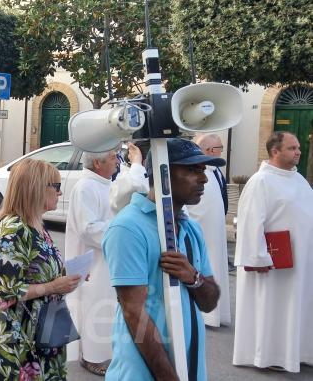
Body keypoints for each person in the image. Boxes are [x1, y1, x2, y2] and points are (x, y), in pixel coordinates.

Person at [102, 138, 221, 380]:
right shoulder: (128, 227)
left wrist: (193, 277)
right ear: (162, 173)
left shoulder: (192, 229)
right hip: (143, 372)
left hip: (190, 366)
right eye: (191, 170)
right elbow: (134, 313)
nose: (204, 178)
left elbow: (210, 303)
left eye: (202, 170)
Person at [0, 158, 82, 380]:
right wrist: (53, 286)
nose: (60, 193)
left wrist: (66, 276)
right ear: (36, 188)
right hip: (20, 333)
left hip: (43, 326)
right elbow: (7, 290)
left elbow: (38, 269)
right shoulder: (14, 230)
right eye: (56, 187)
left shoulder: (36, 224)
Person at [233, 131, 313, 372]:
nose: (298, 152)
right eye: (292, 148)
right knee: (271, 307)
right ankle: (269, 355)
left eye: (298, 147)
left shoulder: (298, 180)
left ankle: (297, 352)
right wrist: (258, 257)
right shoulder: (261, 181)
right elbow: (250, 221)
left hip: (302, 260)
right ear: (275, 151)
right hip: (273, 260)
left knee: (297, 305)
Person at [63, 149, 119, 375]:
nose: (118, 161)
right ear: (97, 162)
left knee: (107, 306)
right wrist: (120, 229)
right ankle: (91, 356)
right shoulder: (85, 187)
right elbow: (88, 229)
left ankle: (106, 353)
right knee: (94, 306)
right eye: (114, 157)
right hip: (92, 262)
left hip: (109, 257)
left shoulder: (106, 183)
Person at [187, 133, 232, 328]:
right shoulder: (200, 174)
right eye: (219, 148)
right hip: (203, 233)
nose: (221, 152)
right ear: (208, 151)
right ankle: (206, 314)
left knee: (217, 267)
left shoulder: (215, 172)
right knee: (205, 268)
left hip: (216, 233)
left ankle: (216, 314)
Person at [109, 141, 149, 213]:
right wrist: (136, 162)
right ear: (145, 162)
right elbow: (129, 191)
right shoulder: (125, 179)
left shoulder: (135, 175)